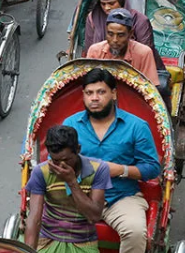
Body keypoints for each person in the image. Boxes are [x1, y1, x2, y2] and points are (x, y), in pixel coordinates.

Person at [63, 69, 160, 253]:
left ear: (114, 94)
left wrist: (120, 170)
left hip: (121, 197)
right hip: (78, 195)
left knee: (135, 231)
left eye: (101, 92)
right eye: (89, 93)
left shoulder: (136, 126)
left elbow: (152, 167)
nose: (94, 98)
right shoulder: (70, 125)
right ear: (83, 96)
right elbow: (56, 162)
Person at [24, 125, 112, 253]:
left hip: (83, 241)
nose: (61, 165)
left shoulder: (99, 169)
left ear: (78, 149)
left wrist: (71, 182)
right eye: (55, 161)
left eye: (66, 160)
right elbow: (34, 218)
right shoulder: (41, 172)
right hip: (48, 238)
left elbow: (94, 216)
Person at [86, 9, 160, 84]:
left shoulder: (144, 53)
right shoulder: (95, 50)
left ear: (130, 33)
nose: (115, 40)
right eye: (110, 34)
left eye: (120, 35)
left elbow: (150, 89)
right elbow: (88, 83)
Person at [82, 0, 155, 49]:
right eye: (103, 4)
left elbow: (145, 53)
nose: (107, 8)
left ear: (121, 1)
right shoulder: (93, 18)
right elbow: (89, 49)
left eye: (111, 3)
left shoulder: (140, 21)